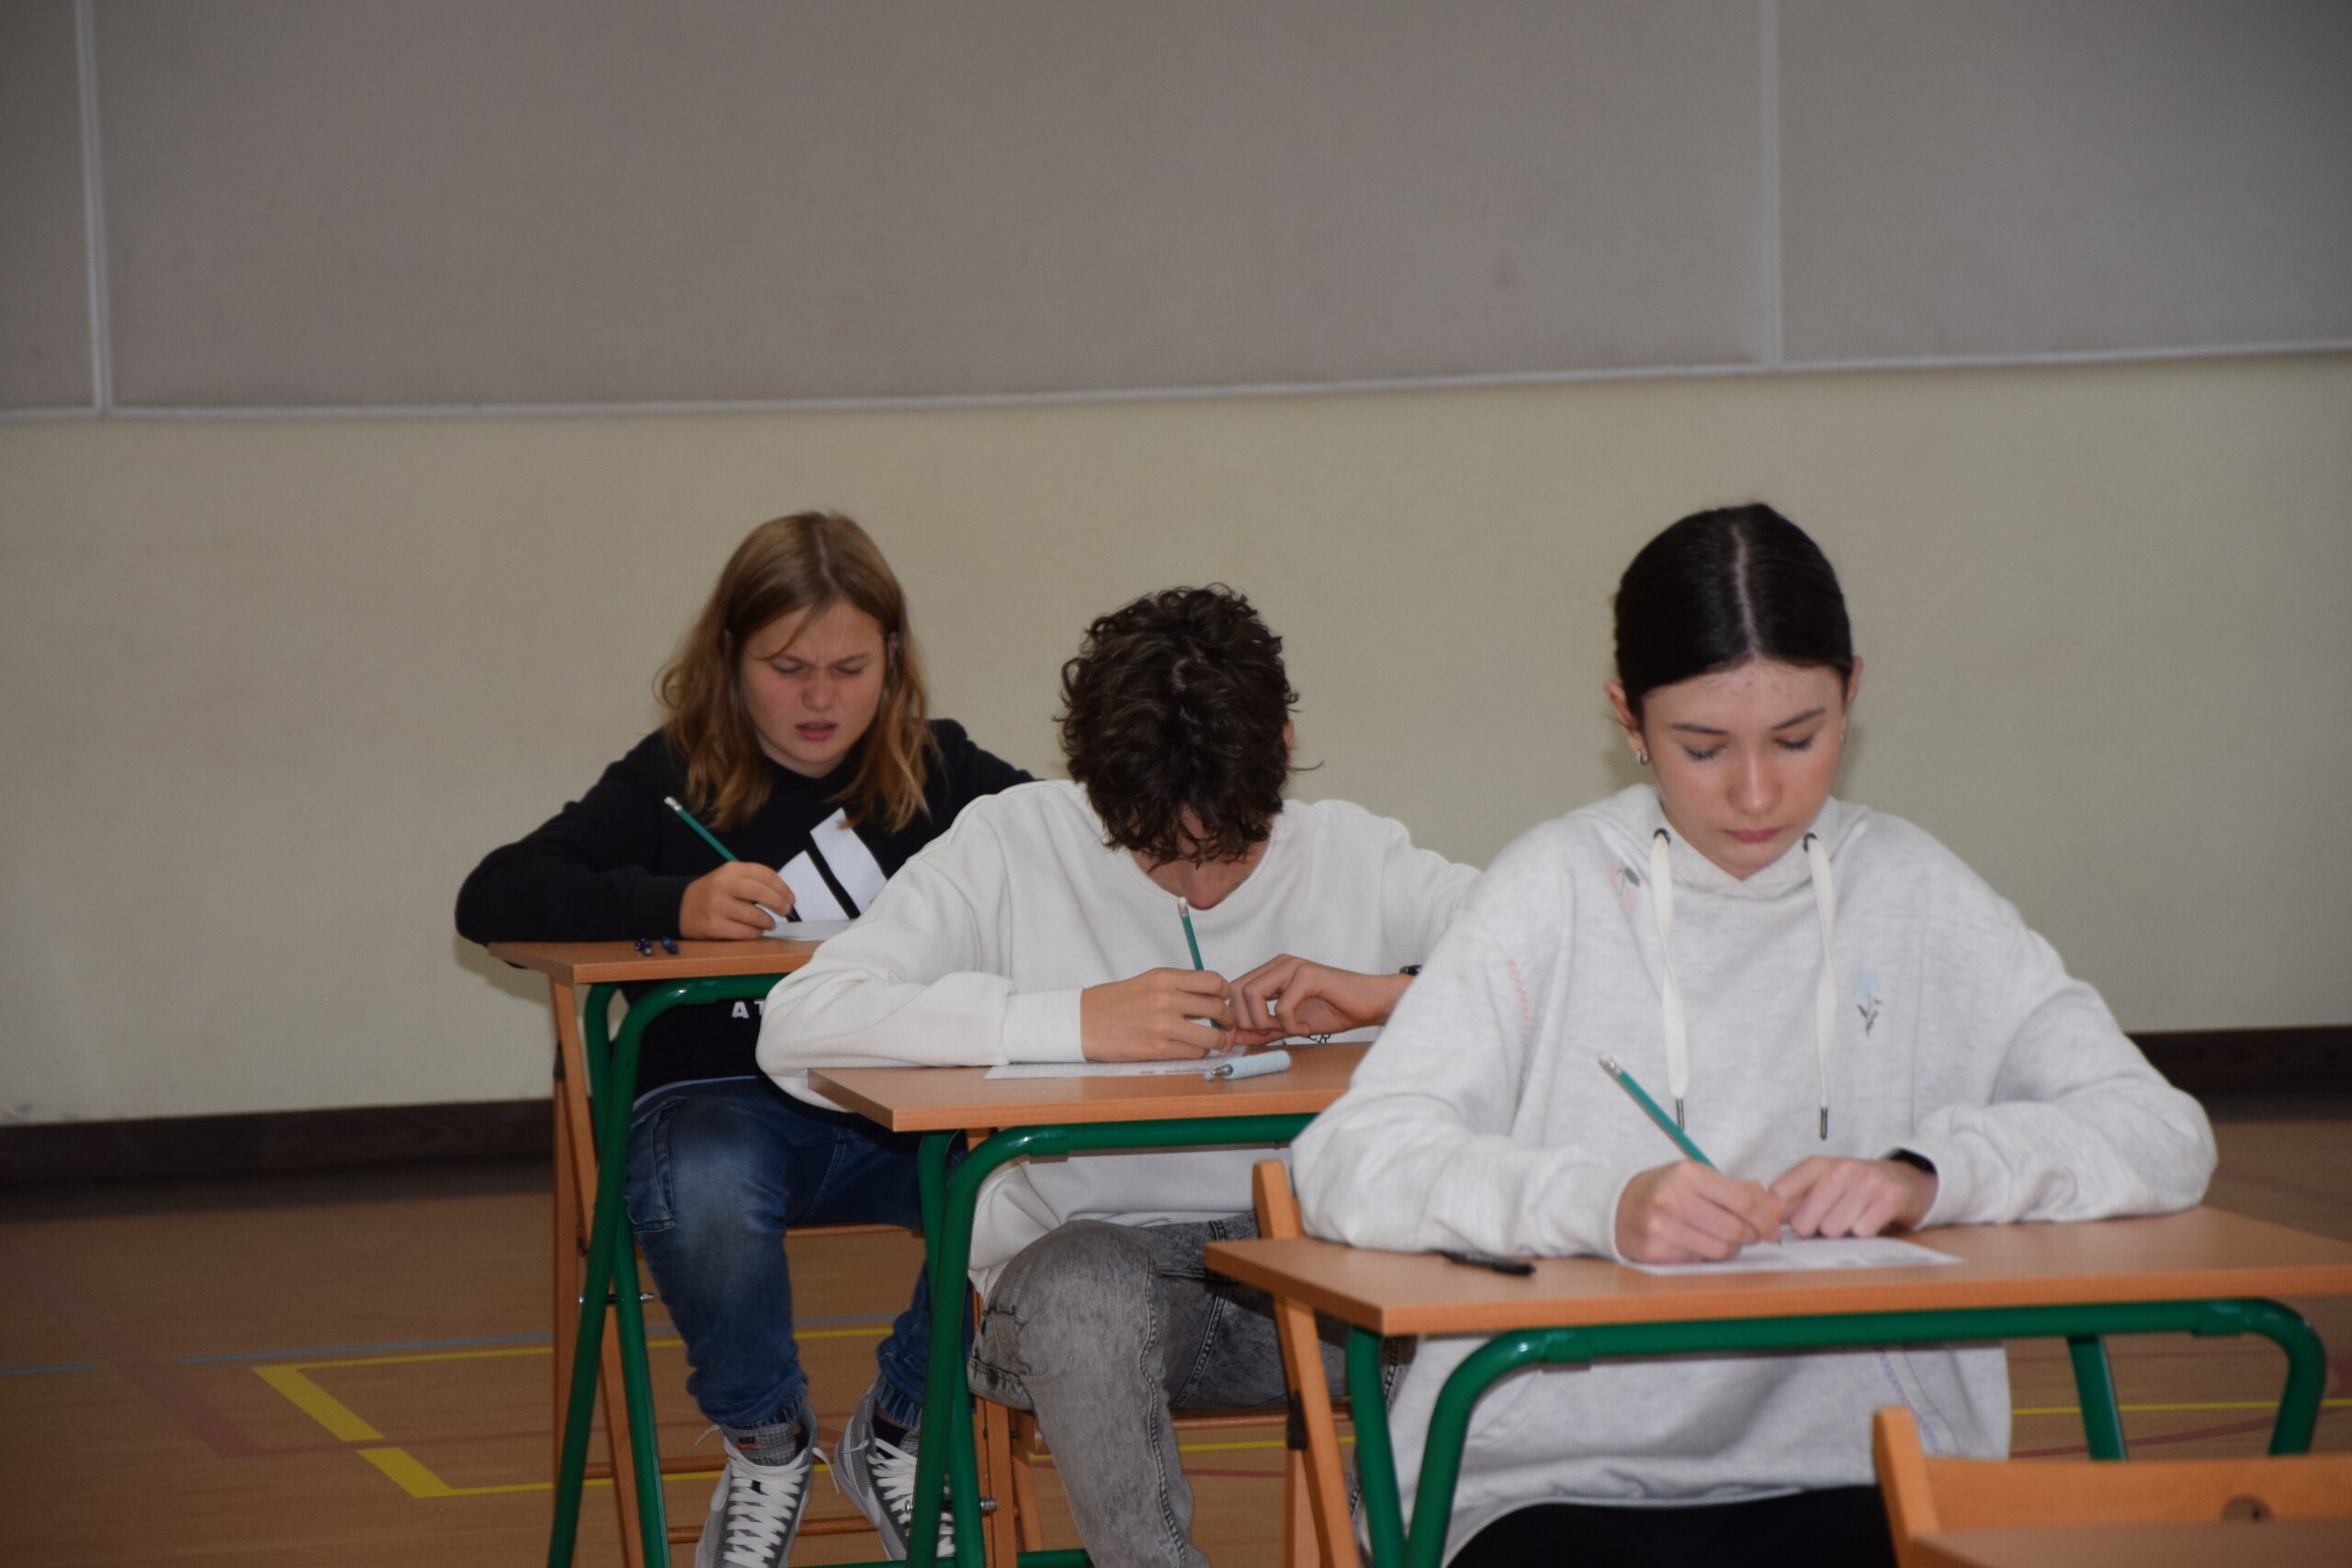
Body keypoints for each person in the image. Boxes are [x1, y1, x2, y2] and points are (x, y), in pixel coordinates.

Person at [1291, 503, 2216, 1568]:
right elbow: (1350, 1158)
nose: (1755, 792)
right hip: (1548, 1479)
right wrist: (1601, 1204)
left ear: (1851, 695)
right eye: (1701, 748)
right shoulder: (1549, 891)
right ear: (1627, 720)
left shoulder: (1917, 893)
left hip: (1859, 1467)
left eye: (1797, 738)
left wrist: (1929, 1175)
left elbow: (2160, 1130)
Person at [758, 584, 1478, 1568]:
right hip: (1077, 1289)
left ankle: (1370, 1554)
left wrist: (1388, 993)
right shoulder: (1012, 843)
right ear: (1094, 785)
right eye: (1153, 843)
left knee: (1459, 1268)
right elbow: (799, 1023)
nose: (1195, 882)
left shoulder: (1357, 853)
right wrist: (1070, 1023)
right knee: (1088, 1286)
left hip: (1304, 1272)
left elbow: (1568, 972)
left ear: (1283, 747)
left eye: (1228, 842)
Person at [456, 512, 1030, 1567]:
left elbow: (1082, 848)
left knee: (1033, 1179)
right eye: (787, 668)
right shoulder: (674, 776)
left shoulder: (939, 771)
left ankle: (899, 1428)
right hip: (716, 1104)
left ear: (893, 660)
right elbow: (493, 892)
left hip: (900, 1104)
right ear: (729, 659)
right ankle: (767, 1443)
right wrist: (669, 900)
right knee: (707, 1182)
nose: (820, 699)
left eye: (850, 669)